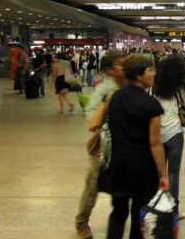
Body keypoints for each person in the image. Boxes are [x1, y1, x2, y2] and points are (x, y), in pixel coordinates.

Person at [105, 54, 169, 239]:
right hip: (142, 167)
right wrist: (163, 174)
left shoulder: (115, 98)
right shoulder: (151, 104)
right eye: (150, 70)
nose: (153, 74)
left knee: (118, 212)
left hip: (118, 164)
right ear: (138, 74)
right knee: (139, 213)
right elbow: (155, 142)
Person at [75, 51, 126, 239]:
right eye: (121, 64)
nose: (125, 67)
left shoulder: (133, 83)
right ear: (109, 70)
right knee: (93, 184)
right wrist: (102, 126)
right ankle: (82, 222)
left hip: (128, 143)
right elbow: (91, 113)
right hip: (106, 144)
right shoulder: (105, 89)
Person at [153, 54, 185, 220]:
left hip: (155, 135)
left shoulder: (152, 88)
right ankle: (173, 211)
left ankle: (156, 208)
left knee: (158, 173)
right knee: (174, 173)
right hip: (175, 134)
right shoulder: (178, 90)